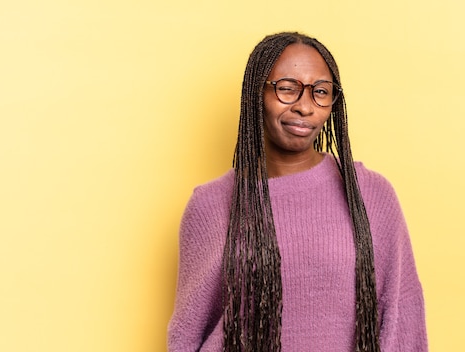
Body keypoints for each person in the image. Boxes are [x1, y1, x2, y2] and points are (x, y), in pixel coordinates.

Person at [167, 32, 427, 352]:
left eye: (320, 92)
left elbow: (402, 320)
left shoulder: (371, 195)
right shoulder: (210, 205)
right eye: (288, 88)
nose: (305, 107)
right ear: (255, 94)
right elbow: (187, 334)